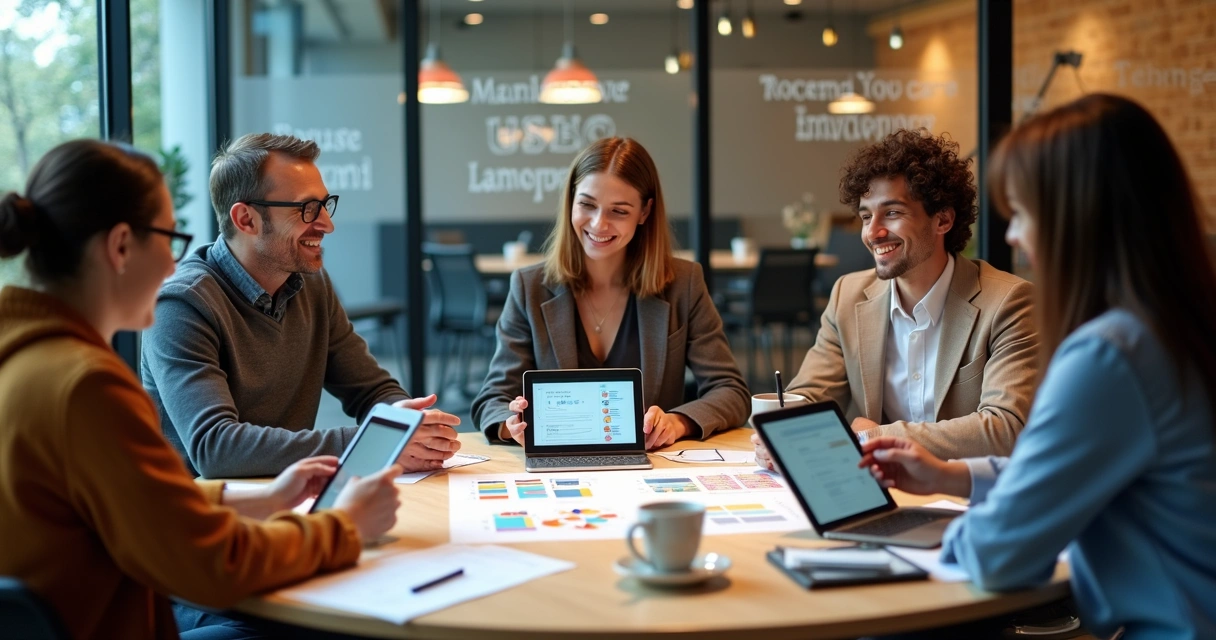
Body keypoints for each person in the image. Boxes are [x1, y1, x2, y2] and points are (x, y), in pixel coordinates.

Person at [0, 139, 404, 640]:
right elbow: (213, 564)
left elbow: (148, 509)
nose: (173, 265)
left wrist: (258, 500)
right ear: (121, 246)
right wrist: (346, 526)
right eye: (170, 239)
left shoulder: (26, 359)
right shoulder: (86, 386)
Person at [858, 95, 1216, 639]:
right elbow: (1077, 465)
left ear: (1078, 217)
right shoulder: (1174, 326)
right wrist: (953, 477)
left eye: (1023, 212)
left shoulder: (1109, 356)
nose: (1013, 236)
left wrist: (924, 534)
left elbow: (999, 555)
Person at [141, 133, 461, 478]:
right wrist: (372, 443)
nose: (327, 224)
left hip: (289, 494)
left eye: (325, 205)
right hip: (200, 505)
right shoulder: (181, 305)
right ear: (246, 219)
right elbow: (216, 448)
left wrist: (406, 420)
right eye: (307, 209)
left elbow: (370, 388)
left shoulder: (312, 284)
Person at [754, 129, 1037, 468]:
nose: (873, 232)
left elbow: (1006, 428)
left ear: (943, 219)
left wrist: (874, 437)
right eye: (865, 216)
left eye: (892, 213)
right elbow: (812, 392)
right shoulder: (848, 296)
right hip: (879, 486)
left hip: (965, 489)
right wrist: (785, 431)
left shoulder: (1008, 302)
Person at [472, 137, 749, 449]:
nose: (598, 224)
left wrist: (677, 422)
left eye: (618, 211)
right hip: (560, 463)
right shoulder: (530, 287)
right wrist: (511, 426)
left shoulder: (683, 284)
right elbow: (493, 399)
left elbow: (731, 391)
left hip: (653, 463)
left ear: (644, 212)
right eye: (587, 205)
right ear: (571, 201)